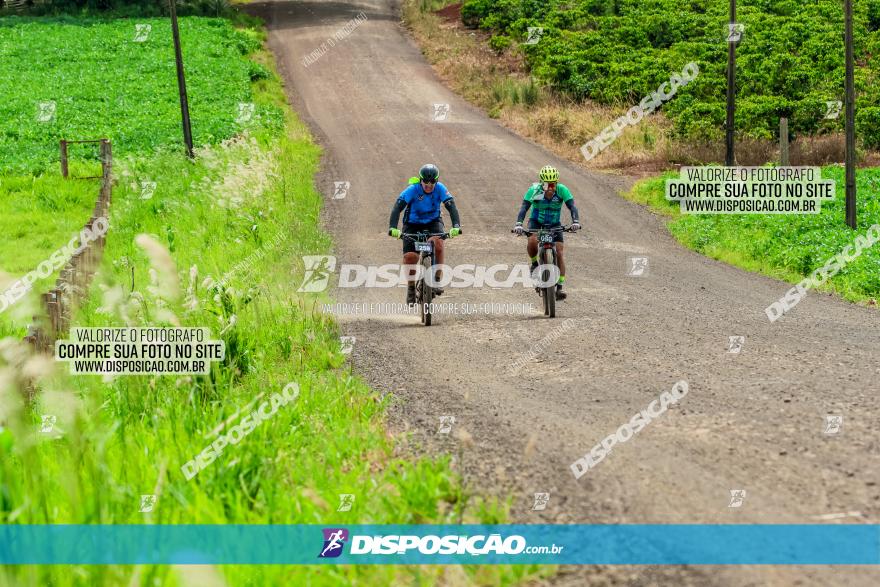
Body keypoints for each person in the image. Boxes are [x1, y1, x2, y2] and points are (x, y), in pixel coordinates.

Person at [388, 164, 462, 304]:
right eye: (426, 182)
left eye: (432, 182)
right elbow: (397, 208)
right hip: (412, 223)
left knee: (438, 244)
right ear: (420, 180)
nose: (429, 185)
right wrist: (393, 228)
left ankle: (436, 280)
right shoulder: (412, 190)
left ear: (437, 181)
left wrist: (456, 226)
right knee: (411, 257)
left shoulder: (440, 189)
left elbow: (452, 207)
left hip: (432, 221)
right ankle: (411, 288)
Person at [513, 165, 581, 300]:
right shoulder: (535, 190)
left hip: (554, 224)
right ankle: (534, 264)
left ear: (556, 182)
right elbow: (524, 207)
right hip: (536, 222)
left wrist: (575, 222)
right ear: (541, 183)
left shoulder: (562, 190)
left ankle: (560, 287)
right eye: (547, 184)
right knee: (532, 241)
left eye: (553, 184)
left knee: (560, 252)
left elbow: (572, 206)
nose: (550, 187)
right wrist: (519, 224)